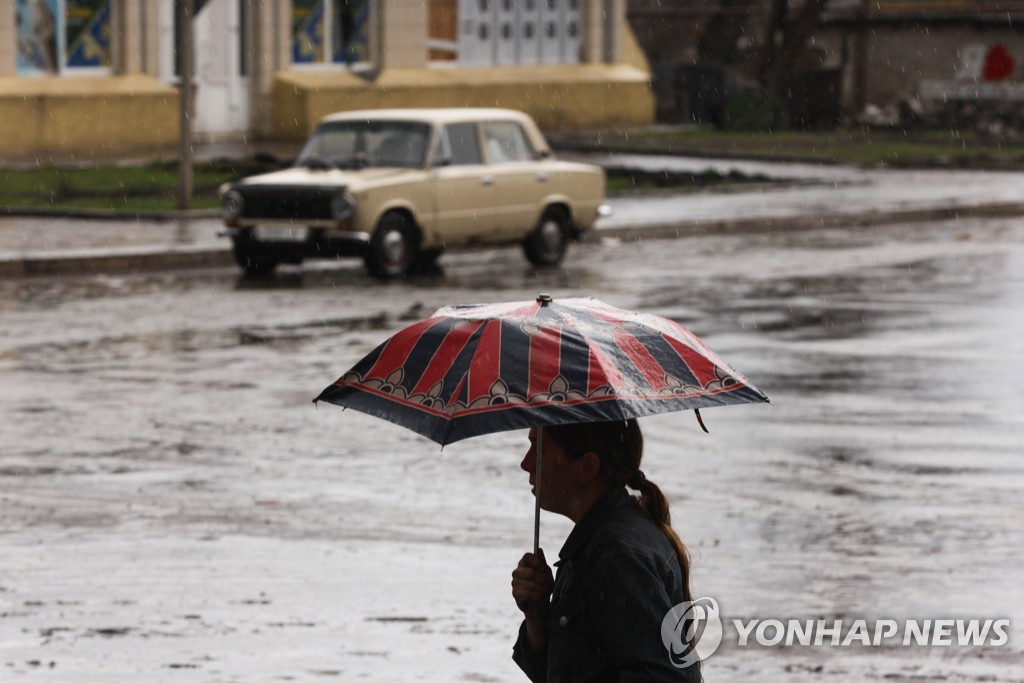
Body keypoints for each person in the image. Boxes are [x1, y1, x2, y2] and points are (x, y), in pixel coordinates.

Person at [510, 419, 701, 682]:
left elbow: (660, 677)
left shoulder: (615, 555)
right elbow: (560, 671)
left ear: (587, 467)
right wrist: (537, 615)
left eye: (539, 449)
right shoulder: (599, 540)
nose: (526, 463)